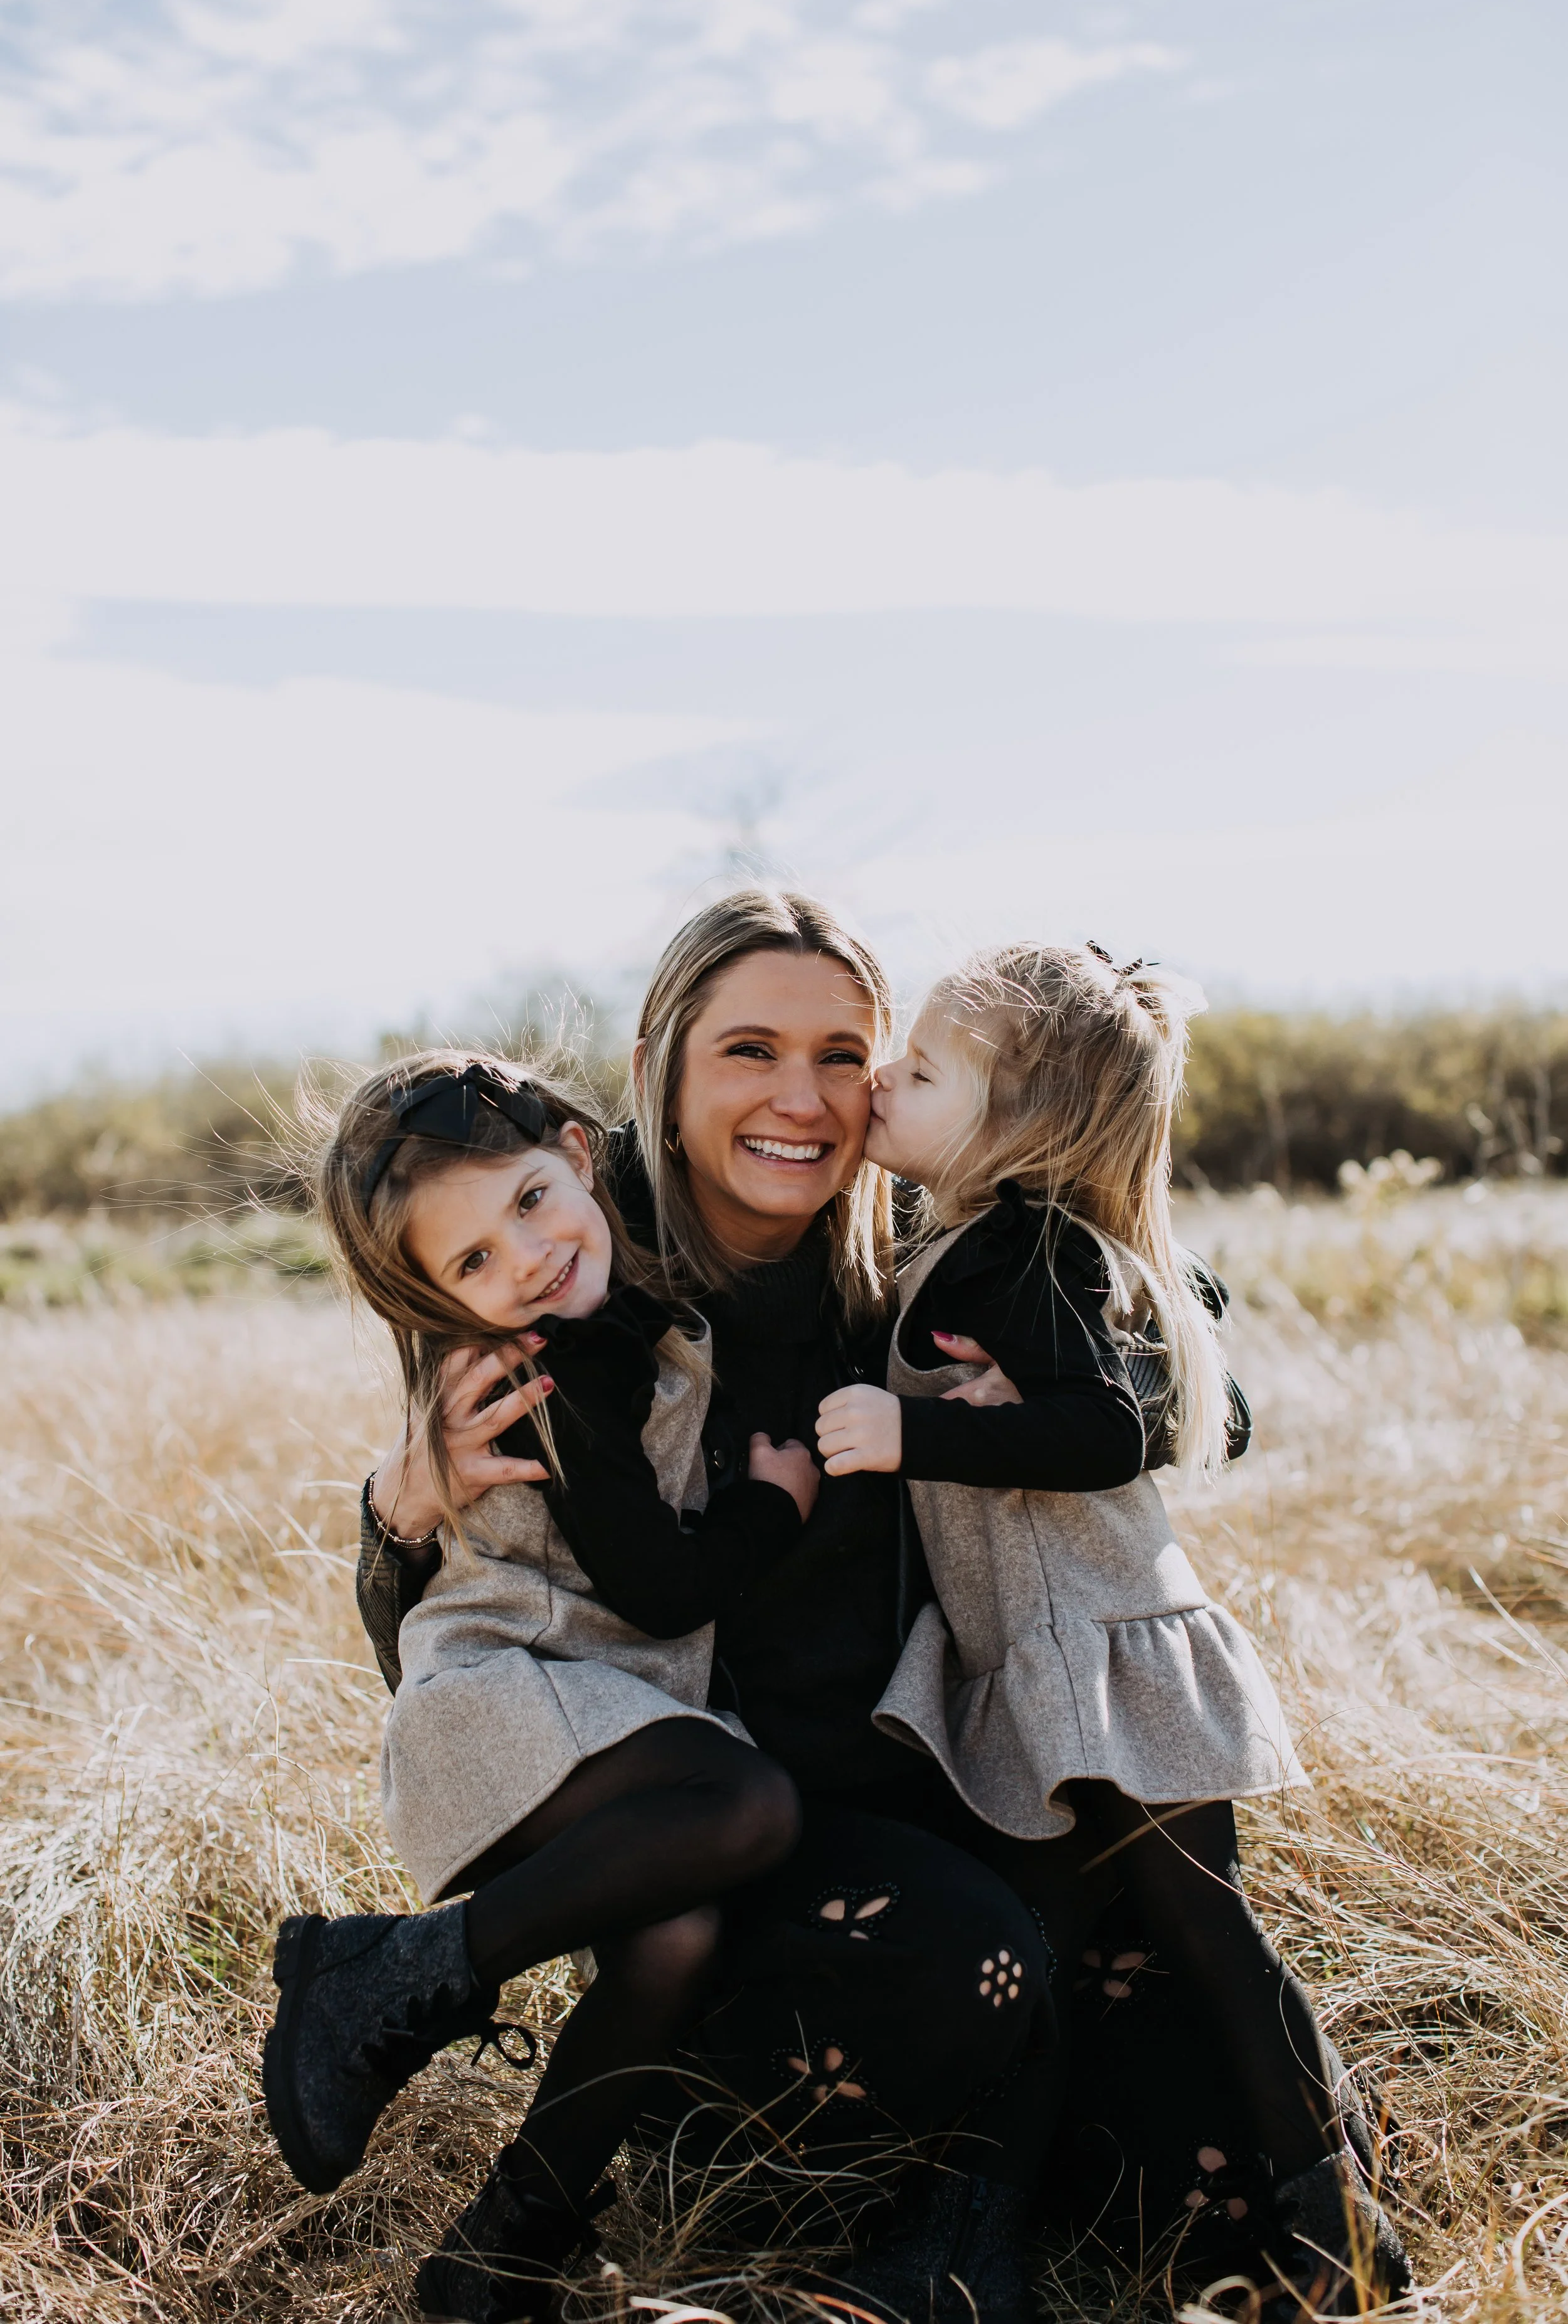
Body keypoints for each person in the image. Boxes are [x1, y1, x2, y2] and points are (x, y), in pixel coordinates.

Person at [354, 893, 1400, 2323]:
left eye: (844, 1052)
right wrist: (398, 1511)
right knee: (961, 1969)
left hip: (951, 1784)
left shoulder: (923, 1229)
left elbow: (1192, 1357)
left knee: (1190, 2146)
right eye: (748, 1051)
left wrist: (1061, 1402)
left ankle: (982, 2238)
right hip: (742, 1840)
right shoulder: (574, 1266)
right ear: (660, 1058)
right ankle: (788, 2229)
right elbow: (456, 1653)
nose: (802, 1097)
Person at [814, 940, 1411, 2315]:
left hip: (1099, 1648)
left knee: (1208, 1928)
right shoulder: (970, 1238)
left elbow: (1101, 1429)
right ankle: (972, 2237)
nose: (882, 1084)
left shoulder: (1022, 1248)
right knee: (1052, 1946)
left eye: (920, 1071)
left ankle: (1340, 2224)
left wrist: (903, 1431)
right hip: (1042, 1660)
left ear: (1019, 1124)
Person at [263, 1053, 810, 2323]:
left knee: (678, 1934)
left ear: (575, 1148)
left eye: (525, 1200)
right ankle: (395, 1976)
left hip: (582, 1700)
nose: (524, 1258)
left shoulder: (599, 1277)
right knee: (747, 1809)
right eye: (468, 1263)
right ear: (437, 1301)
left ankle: (501, 2257)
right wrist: (772, 1507)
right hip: (503, 1696)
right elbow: (660, 1589)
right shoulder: (539, 1376)